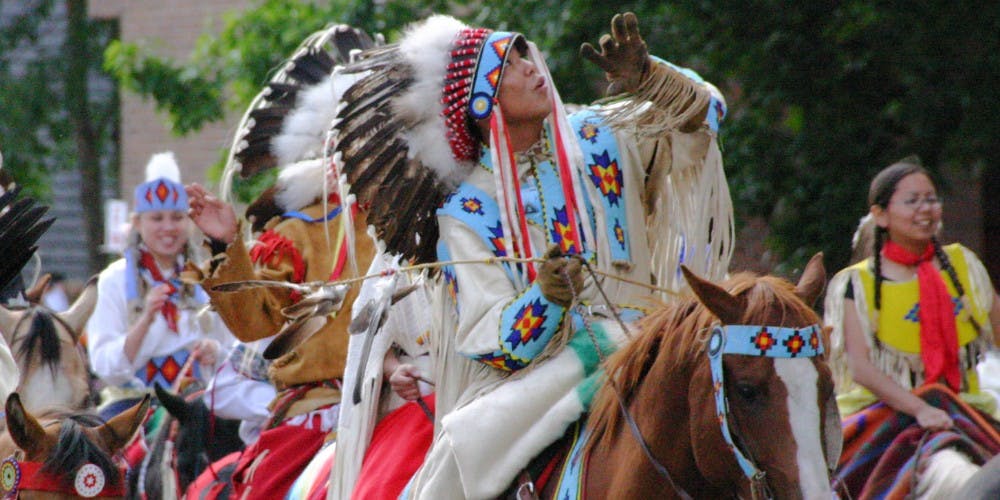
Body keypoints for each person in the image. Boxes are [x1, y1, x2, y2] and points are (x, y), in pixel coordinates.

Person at [330, 12, 733, 498]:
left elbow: (709, 113)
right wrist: (545, 298)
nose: (530, 66)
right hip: (542, 378)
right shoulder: (468, 214)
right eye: (509, 65)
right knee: (454, 469)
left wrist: (653, 78)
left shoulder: (600, 136)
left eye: (525, 54)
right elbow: (495, 342)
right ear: (481, 105)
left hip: (648, 344)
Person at [825, 157, 1000, 497]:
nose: (926, 209)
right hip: (884, 411)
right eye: (912, 201)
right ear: (880, 215)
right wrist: (919, 408)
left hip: (964, 408)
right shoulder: (855, 284)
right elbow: (860, 368)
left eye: (931, 199)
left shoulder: (964, 265)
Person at [86, 152, 232, 418]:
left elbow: (233, 346)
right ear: (138, 223)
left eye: (177, 218)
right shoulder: (114, 280)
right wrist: (146, 320)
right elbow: (104, 365)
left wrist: (215, 351)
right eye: (157, 218)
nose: (168, 227)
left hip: (198, 404)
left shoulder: (207, 278)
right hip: (133, 407)